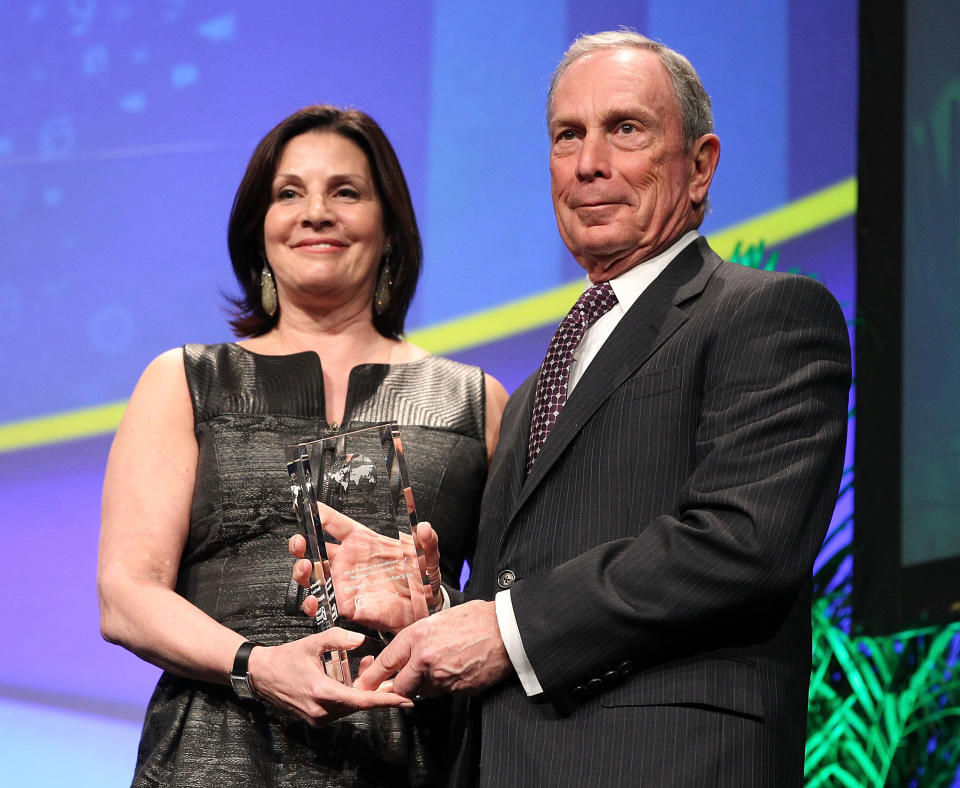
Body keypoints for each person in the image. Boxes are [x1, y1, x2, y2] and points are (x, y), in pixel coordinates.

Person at [349, 31, 851, 787]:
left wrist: (506, 628)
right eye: (567, 136)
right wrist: (436, 610)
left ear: (700, 166)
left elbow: (743, 543)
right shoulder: (539, 385)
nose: (589, 163)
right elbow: (522, 587)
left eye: (625, 129)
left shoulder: (768, 313)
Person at [97, 105, 508, 787]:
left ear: (390, 231)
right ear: (259, 233)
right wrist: (255, 665)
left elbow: (509, 614)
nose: (316, 212)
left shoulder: (476, 402)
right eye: (289, 193)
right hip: (212, 757)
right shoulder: (185, 382)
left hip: (411, 759)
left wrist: (437, 609)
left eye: (345, 191)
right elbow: (126, 595)